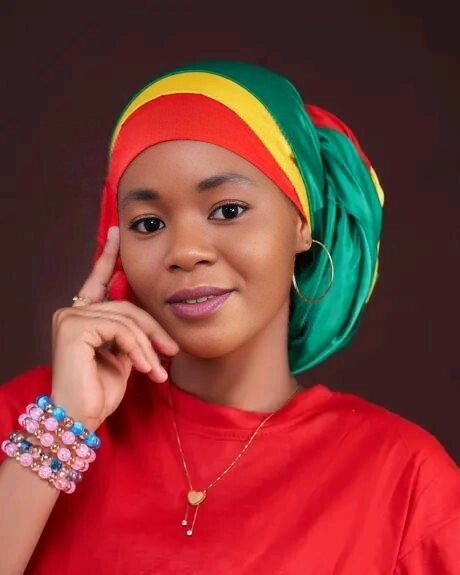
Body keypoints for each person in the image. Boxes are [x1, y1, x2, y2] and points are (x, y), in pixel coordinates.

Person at [0, 60, 458, 575]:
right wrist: (61, 430)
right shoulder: (30, 418)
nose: (185, 251)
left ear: (301, 222)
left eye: (228, 210)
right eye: (148, 223)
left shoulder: (404, 480)